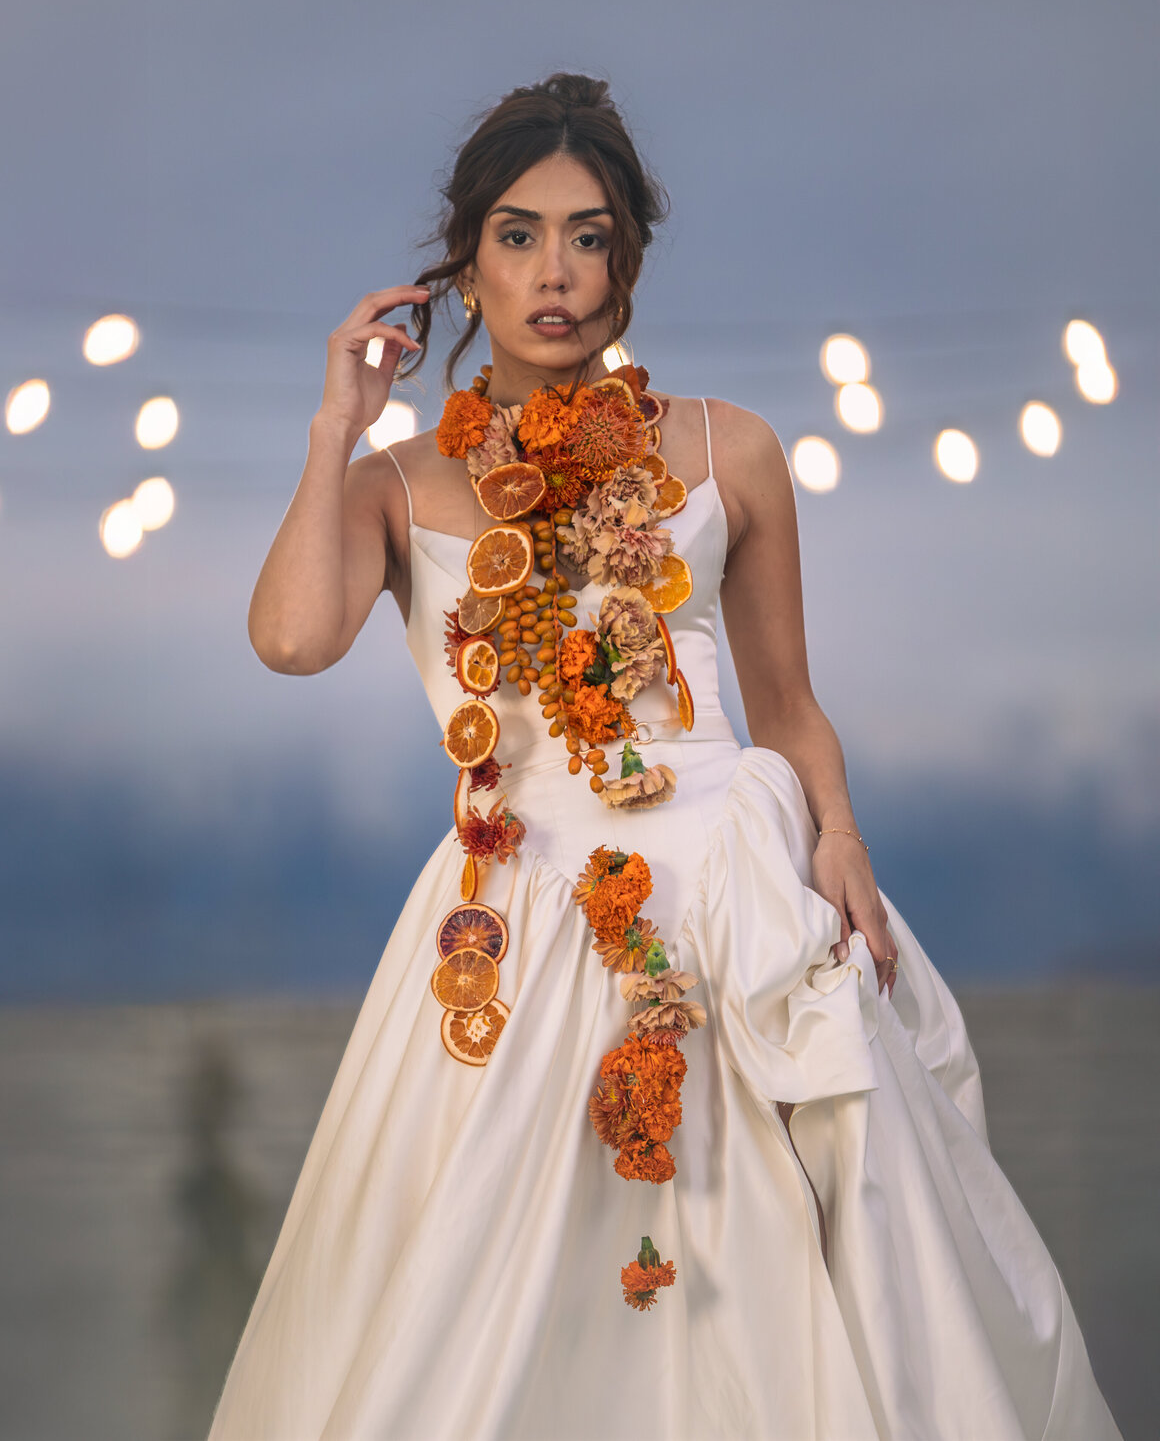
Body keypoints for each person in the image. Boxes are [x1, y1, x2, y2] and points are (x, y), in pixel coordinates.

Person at [207, 73, 1121, 1440]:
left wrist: (844, 848)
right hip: (515, 917)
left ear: (627, 257)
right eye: (517, 236)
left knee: (787, 1265)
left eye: (588, 234)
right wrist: (341, 420)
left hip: (732, 888)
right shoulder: (397, 483)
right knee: (488, 1296)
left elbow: (789, 705)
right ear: (466, 263)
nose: (554, 271)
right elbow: (289, 641)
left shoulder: (730, 449)